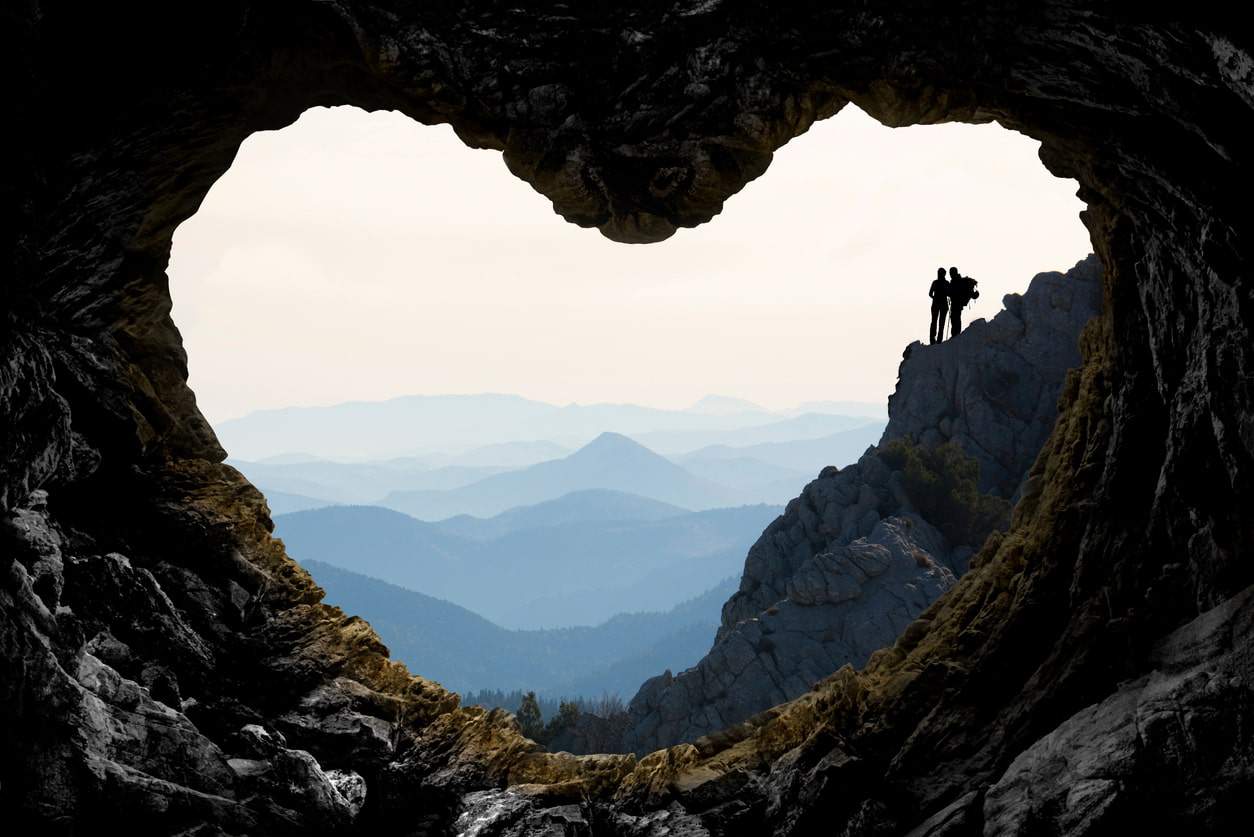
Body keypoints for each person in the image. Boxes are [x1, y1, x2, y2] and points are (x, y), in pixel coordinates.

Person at [947, 266, 979, 337]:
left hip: (956, 304)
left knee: (955, 320)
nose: (950, 275)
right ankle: (956, 336)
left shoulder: (957, 282)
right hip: (957, 304)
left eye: (951, 273)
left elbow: (951, 292)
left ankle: (955, 336)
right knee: (956, 320)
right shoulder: (959, 281)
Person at [928, 267, 950, 344]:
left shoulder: (935, 282)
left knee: (935, 322)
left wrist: (935, 298)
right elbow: (949, 293)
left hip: (936, 304)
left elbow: (930, 294)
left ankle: (933, 339)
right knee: (941, 322)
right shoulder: (946, 283)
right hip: (942, 304)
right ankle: (938, 340)